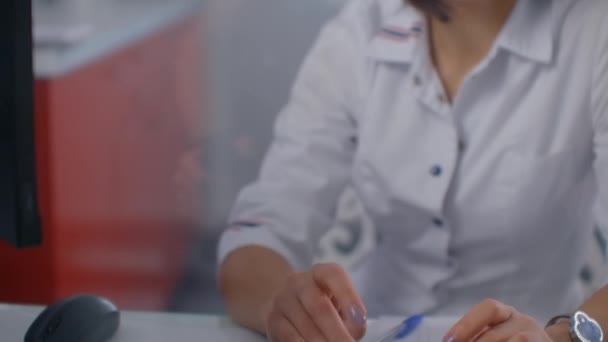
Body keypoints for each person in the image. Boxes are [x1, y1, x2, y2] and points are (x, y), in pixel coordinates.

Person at [217, 0, 608, 340]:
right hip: (372, 329)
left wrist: (564, 335)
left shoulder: (592, 29)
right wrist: (283, 304)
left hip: (534, 329)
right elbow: (263, 226)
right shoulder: (359, 31)